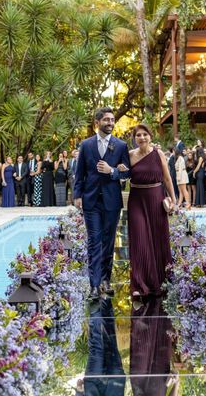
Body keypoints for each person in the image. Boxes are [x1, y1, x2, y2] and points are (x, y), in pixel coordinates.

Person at [74, 107, 130, 302]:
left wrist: (112, 171)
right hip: (91, 201)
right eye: (106, 120)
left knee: (108, 241)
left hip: (112, 201)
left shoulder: (121, 146)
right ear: (97, 122)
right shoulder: (86, 145)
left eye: (113, 120)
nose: (110, 123)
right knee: (93, 242)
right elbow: (80, 173)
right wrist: (77, 195)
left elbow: (126, 172)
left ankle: (106, 280)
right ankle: (94, 285)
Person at [125, 124, 174, 298]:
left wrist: (173, 200)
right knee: (140, 239)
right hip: (137, 200)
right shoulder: (129, 156)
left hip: (156, 198)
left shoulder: (158, 153)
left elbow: (167, 178)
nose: (142, 138)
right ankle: (139, 284)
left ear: (150, 136)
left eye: (145, 134)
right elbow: (119, 176)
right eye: (138, 135)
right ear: (134, 138)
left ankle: (160, 281)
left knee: (158, 238)